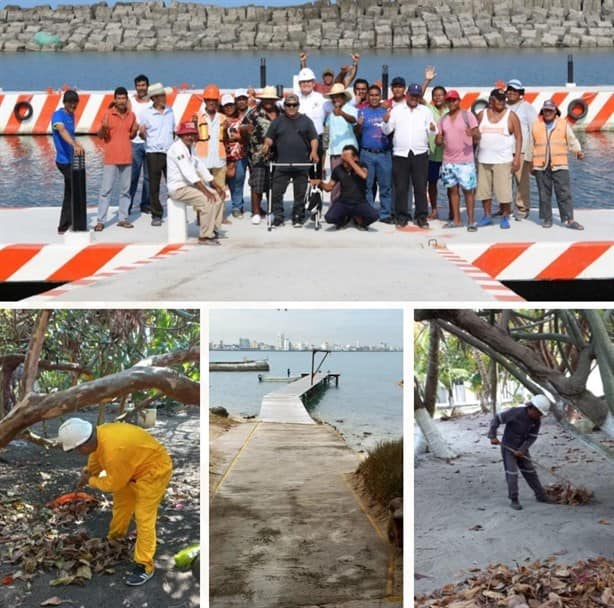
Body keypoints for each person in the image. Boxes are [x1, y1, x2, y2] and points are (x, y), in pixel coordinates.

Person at [58, 418, 173, 586]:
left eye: (76, 449)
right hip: (131, 469)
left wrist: (91, 481)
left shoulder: (115, 451)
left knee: (144, 518)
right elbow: (95, 458)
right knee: (122, 507)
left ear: (83, 445)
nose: (77, 452)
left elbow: (113, 484)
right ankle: (115, 539)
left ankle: (144, 565)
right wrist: (88, 472)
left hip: (153, 472)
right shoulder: (99, 435)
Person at [381, 82, 436, 228]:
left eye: (417, 95)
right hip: (400, 153)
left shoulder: (425, 111)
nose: (414, 98)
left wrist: (432, 129)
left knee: (420, 187)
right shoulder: (396, 110)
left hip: (420, 153)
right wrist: (385, 122)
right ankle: (401, 216)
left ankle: (421, 216)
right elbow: (387, 131)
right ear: (407, 94)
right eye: (412, 95)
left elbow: (432, 131)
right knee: (401, 187)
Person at [487, 395, 554, 510]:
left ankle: (541, 495)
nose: (540, 416)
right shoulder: (515, 413)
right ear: (532, 408)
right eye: (539, 413)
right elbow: (496, 420)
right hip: (508, 447)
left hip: (522, 448)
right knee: (512, 473)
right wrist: (492, 436)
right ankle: (514, 499)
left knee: (530, 471)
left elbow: (532, 437)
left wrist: (522, 450)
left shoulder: (536, 420)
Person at [526, 99, 585, 230]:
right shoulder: (535, 125)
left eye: (550, 110)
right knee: (544, 193)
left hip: (560, 164)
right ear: (542, 111)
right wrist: (530, 163)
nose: (548, 112)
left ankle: (570, 219)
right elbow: (530, 145)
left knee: (564, 192)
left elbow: (571, 140)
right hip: (540, 165)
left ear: (555, 111)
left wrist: (578, 152)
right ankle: (547, 219)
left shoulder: (563, 124)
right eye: (545, 110)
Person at [262, 93, 319, 227]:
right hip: (282, 164)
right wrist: (266, 145)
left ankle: (297, 216)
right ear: (285, 106)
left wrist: (314, 151)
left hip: (301, 163)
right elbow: (270, 137)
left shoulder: (306, 121)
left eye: (294, 105)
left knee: (300, 193)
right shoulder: (278, 121)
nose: (291, 107)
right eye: (288, 105)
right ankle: (279, 216)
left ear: (298, 106)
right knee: (276, 192)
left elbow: (314, 138)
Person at [166, 121, 226, 245]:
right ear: (180, 135)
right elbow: (189, 173)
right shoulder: (177, 149)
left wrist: (216, 186)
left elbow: (200, 167)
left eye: (192, 134)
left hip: (189, 186)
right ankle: (204, 236)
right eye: (186, 134)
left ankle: (213, 229)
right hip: (178, 188)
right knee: (207, 200)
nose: (190, 137)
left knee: (218, 197)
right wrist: (206, 191)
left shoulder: (191, 147)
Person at [475, 88, 522, 229]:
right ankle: (487, 215)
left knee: (504, 192)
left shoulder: (511, 115)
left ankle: (505, 216)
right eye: (498, 99)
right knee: (484, 191)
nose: (502, 102)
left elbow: (519, 137)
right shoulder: (481, 115)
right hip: (483, 160)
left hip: (503, 161)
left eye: (503, 99)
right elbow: (474, 134)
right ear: (491, 100)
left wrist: (517, 158)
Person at [435, 89, 480, 231]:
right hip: (448, 161)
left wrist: (472, 133)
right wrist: (438, 139)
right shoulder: (442, 119)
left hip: (466, 161)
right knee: (453, 191)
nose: (451, 103)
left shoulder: (468, 115)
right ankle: (457, 220)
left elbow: (478, 134)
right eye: (449, 100)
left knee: (468, 191)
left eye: (454, 100)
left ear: (459, 101)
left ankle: (471, 221)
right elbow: (438, 140)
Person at [95, 86, 137, 231]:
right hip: (111, 158)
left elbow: (131, 135)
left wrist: (136, 131)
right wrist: (104, 128)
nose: (121, 101)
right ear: (114, 99)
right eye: (118, 98)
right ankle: (100, 220)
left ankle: (123, 218)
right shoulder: (107, 114)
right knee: (106, 190)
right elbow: (100, 136)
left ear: (126, 100)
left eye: (123, 98)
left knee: (126, 190)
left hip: (126, 157)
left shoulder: (132, 115)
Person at [240, 86, 281, 226]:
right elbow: (242, 128)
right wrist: (246, 130)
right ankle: (256, 212)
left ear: (274, 100)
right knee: (257, 183)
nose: (268, 101)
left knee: (274, 183)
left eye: (271, 99)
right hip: (258, 154)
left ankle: (272, 210)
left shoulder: (281, 112)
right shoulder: (253, 113)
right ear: (262, 100)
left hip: (277, 154)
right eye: (266, 99)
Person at [139, 82, 175, 227]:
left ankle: (174, 211)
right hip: (153, 152)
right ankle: (156, 214)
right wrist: (141, 133)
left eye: (164, 95)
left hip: (168, 151)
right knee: (154, 186)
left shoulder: (170, 111)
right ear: (154, 98)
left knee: (172, 183)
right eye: (160, 96)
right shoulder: (146, 114)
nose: (164, 98)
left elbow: (173, 130)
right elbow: (142, 133)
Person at [356, 84, 393, 223]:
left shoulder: (386, 111)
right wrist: (359, 125)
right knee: (367, 186)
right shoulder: (362, 112)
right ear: (368, 96)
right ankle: (369, 212)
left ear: (380, 97)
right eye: (371, 95)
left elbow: (392, 130)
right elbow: (358, 133)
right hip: (367, 154)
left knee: (385, 186)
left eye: (376, 95)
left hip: (384, 153)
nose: (374, 97)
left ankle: (385, 214)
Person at [319, 145, 379, 230]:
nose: (344, 160)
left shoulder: (362, 165)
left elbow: (363, 175)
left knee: (374, 216)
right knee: (329, 218)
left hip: (360, 202)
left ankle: (358, 221)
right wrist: (320, 183)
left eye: (347, 157)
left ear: (355, 158)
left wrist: (350, 161)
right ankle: (344, 220)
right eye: (343, 158)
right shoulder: (338, 169)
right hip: (343, 202)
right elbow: (329, 187)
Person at [52, 89, 84, 234]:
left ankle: (69, 222)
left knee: (71, 190)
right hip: (63, 161)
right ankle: (65, 224)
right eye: (70, 104)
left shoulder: (72, 115)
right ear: (65, 103)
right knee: (73, 189)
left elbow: (71, 134)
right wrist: (74, 145)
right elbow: (62, 130)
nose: (73, 107)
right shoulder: (57, 115)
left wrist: (78, 145)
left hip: (72, 159)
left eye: (75, 104)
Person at [505, 79, 538, 219]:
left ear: (520, 93)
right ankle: (505, 208)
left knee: (521, 182)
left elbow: (534, 129)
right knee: (504, 181)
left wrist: (532, 153)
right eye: (509, 89)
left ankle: (523, 208)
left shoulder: (527, 107)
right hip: (503, 151)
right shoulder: (502, 106)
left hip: (522, 150)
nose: (511, 92)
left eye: (515, 90)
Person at [323, 83, 357, 205]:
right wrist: (323, 157)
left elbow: (354, 121)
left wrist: (342, 113)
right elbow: (326, 134)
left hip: (350, 153)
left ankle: (353, 213)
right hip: (334, 153)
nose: (335, 99)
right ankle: (336, 212)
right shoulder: (330, 114)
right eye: (333, 97)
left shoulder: (352, 109)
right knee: (336, 184)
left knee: (352, 183)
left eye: (337, 96)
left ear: (343, 97)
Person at [195, 84, 229, 200]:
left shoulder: (223, 118)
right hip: (202, 161)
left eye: (214, 100)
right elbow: (191, 138)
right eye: (208, 100)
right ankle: (201, 218)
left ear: (217, 101)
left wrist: (226, 129)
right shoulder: (196, 117)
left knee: (220, 190)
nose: (211, 102)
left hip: (219, 160)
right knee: (201, 192)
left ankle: (218, 217)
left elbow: (227, 139)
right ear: (204, 100)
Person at [221, 94, 248, 219]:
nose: (229, 108)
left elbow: (248, 138)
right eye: (226, 106)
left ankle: (237, 206)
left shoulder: (242, 120)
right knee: (221, 182)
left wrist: (240, 138)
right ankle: (219, 208)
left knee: (238, 180)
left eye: (231, 105)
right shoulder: (219, 119)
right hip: (222, 156)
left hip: (239, 155)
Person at [128, 74, 151, 215]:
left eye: (143, 85)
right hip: (134, 143)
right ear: (135, 87)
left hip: (149, 143)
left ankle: (146, 204)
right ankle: (127, 205)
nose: (141, 88)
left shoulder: (152, 101)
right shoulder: (131, 101)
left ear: (147, 86)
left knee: (149, 177)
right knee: (132, 176)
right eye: (139, 85)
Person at [427, 85, 448, 220]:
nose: (437, 97)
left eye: (440, 95)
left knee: (451, 184)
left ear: (445, 97)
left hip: (448, 155)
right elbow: (418, 96)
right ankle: (434, 210)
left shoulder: (450, 110)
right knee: (432, 183)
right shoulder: (428, 109)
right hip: (432, 154)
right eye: (435, 95)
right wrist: (427, 80)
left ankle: (453, 210)